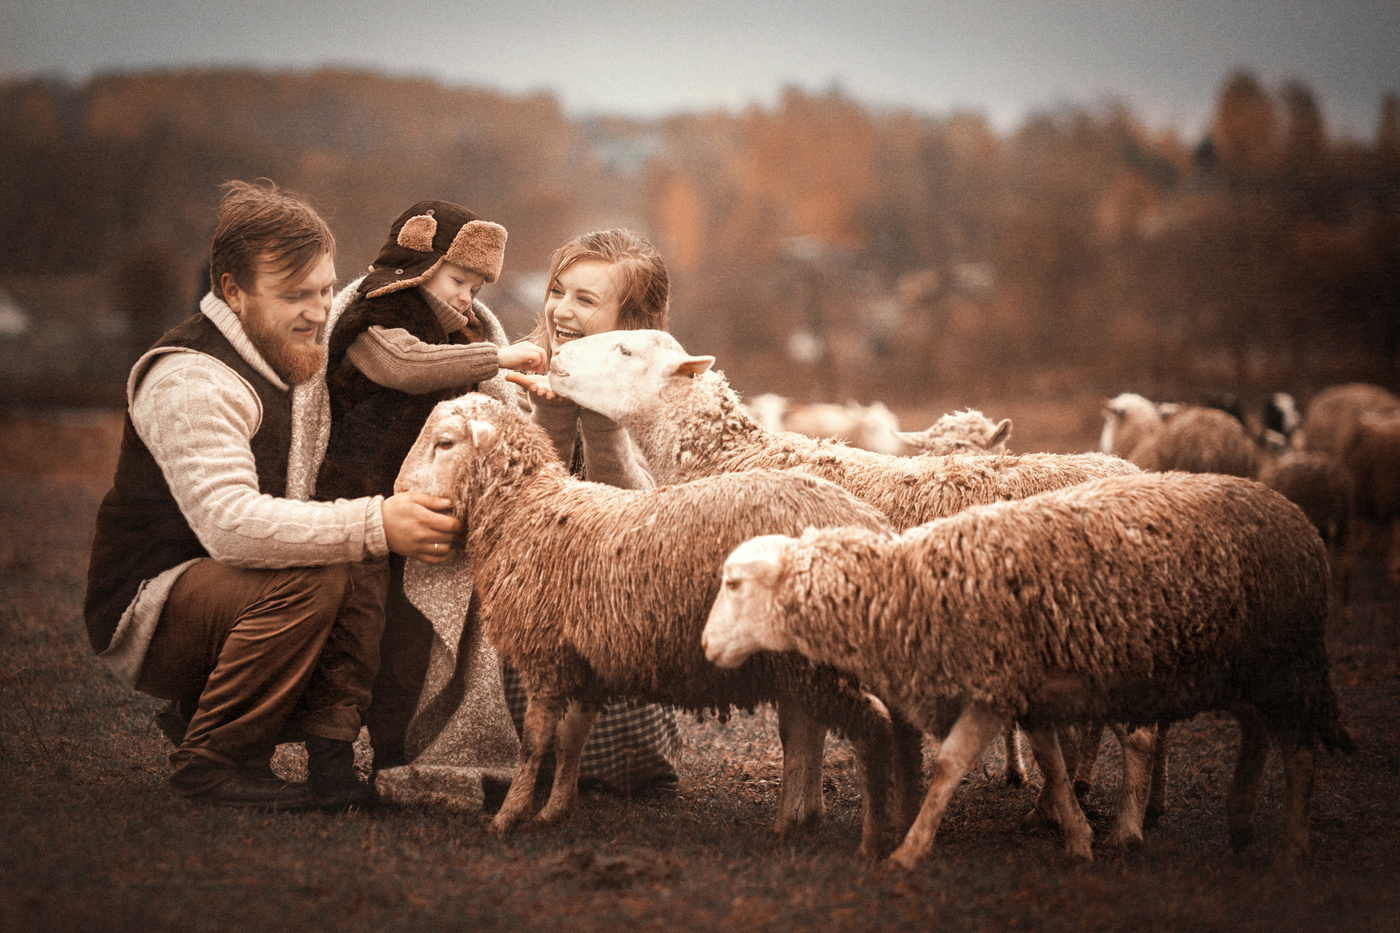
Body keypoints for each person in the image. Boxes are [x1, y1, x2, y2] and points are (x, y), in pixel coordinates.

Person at [84, 179, 461, 812]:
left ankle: (236, 723)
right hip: (150, 607)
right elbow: (229, 524)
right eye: (295, 295)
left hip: (225, 590)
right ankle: (213, 761)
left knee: (362, 572)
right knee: (319, 574)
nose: (319, 311)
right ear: (232, 290)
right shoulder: (192, 379)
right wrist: (378, 522)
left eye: (323, 289)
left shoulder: (288, 354)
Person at [314, 200, 545, 770]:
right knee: (355, 625)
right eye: (458, 280)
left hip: (419, 505)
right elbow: (406, 365)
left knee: (413, 632)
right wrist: (496, 356)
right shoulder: (374, 319)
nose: (468, 298)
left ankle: (401, 751)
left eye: (475, 287)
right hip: (356, 499)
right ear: (418, 267)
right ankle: (330, 754)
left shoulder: (458, 336)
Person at [511, 228, 681, 793]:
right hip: (530, 593)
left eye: (585, 300)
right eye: (558, 291)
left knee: (627, 769)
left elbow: (641, 524)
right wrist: (553, 419)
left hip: (615, 597)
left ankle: (620, 757)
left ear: (633, 325)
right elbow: (520, 518)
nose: (561, 310)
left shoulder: (665, 401)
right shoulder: (515, 372)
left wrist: (603, 424)